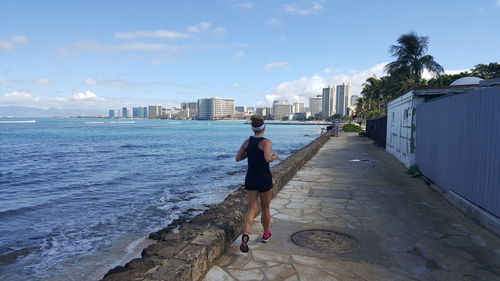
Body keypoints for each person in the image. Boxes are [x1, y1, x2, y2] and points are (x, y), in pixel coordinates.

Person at [235, 115, 279, 253]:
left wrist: (250, 153)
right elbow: (267, 158)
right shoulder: (266, 142)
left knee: (251, 209)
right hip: (264, 178)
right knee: (265, 208)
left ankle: (246, 234)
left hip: (251, 178)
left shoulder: (247, 142)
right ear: (264, 128)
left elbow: (238, 158)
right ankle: (266, 234)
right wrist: (274, 157)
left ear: (252, 128)